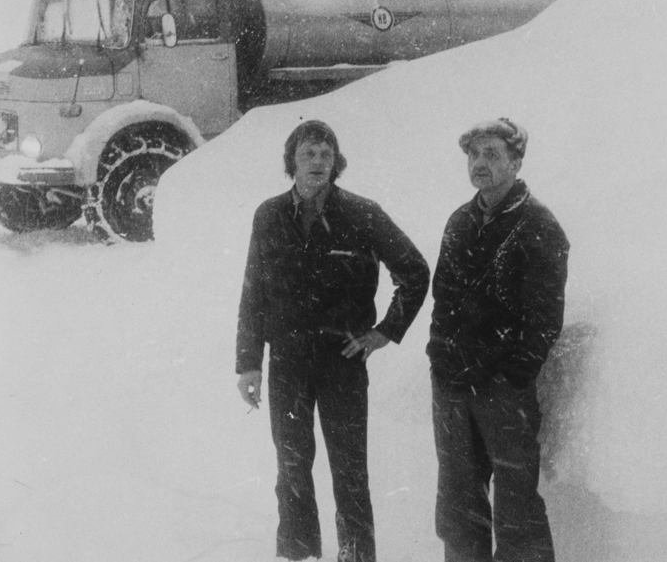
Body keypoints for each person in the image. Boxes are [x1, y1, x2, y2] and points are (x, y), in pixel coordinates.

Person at [236, 119, 430, 562]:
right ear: (292, 162)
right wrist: (249, 362)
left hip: (342, 361)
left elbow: (415, 272)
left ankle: (357, 556)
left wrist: (383, 332)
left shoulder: (362, 214)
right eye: (309, 154)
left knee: (349, 471)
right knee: (291, 467)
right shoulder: (269, 216)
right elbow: (254, 293)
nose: (318, 162)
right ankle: (299, 554)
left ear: (336, 162)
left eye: (326, 154)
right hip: (288, 362)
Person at [427, 118, 569, 562]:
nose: (479, 163)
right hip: (452, 386)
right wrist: (441, 357)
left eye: (491, 154)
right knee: (458, 505)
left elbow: (544, 317)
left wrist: (512, 374)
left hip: (502, 391)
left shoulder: (539, 225)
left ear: (516, 161)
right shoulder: (460, 220)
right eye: (473, 154)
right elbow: (442, 298)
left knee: (517, 508)